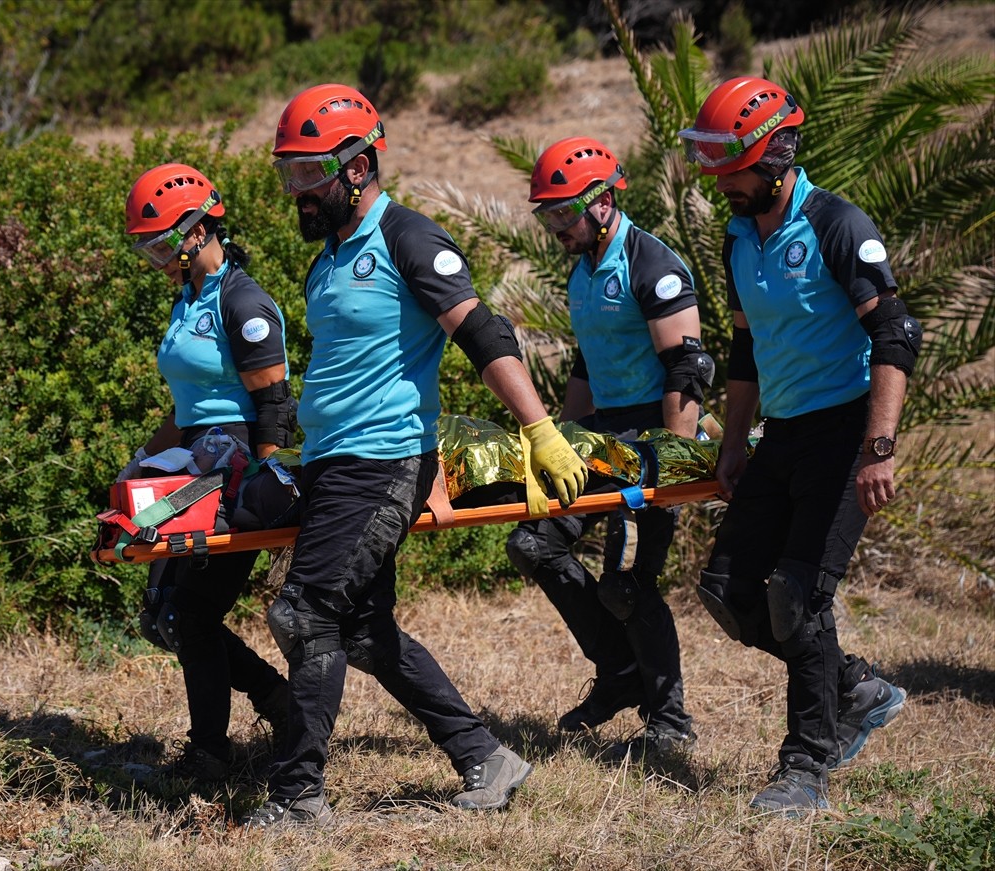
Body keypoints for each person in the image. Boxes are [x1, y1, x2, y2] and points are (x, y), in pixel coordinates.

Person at [240, 83, 590, 829]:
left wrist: (538, 429)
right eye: (288, 175)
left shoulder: (409, 238)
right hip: (334, 462)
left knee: (304, 614)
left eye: (309, 175)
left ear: (359, 165)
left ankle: (298, 795)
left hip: (379, 460)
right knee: (363, 631)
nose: (296, 191)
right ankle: (485, 756)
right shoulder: (329, 258)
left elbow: (483, 333)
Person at [678, 76, 916, 815]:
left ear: (776, 156)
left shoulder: (838, 225)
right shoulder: (738, 236)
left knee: (798, 596)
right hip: (780, 431)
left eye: (732, 169)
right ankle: (854, 686)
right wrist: (733, 442)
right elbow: (745, 349)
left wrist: (880, 446)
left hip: (846, 434)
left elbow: (895, 333)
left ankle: (805, 767)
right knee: (728, 591)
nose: (721, 184)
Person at [504, 137, 709, 760]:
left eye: (563, 214)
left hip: (653, 436)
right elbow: (586, 364)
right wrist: (556, 443)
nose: (554, 228)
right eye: (547, 216)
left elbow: (687, 370)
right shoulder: (583, 270)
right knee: (532, 541)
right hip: (600, 435)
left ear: (601, 203)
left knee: (625, 581)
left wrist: (674, 461)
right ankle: (619, 672)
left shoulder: (653, 267)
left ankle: (669, 718)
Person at [119, 162, 295, 782]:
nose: (160, 259)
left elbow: (274, 404)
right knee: (162, 613)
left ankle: (211, 752)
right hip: (196, 456)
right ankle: (275, 698)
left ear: (198, 231)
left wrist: (266, 483)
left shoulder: (242, 300)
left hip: (236, 465)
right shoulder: (188, 299)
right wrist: (137, 463)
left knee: (189, 614)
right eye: (149, 251)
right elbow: (189, 408)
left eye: (165, 245)